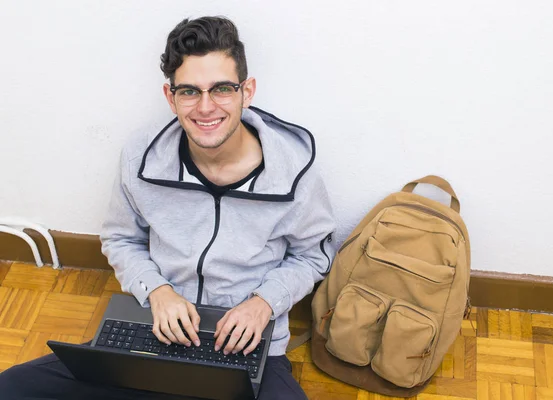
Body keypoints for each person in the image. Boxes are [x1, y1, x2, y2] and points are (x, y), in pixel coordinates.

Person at [0, 16, 335, 399]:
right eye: (189, 91)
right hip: (157, 327)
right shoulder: (141, 156)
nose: (206, 107)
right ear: (170, 96)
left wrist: (263, 304)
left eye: (222, 89)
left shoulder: (295, 168)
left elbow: (313, 255)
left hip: (246, 339)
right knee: (11, 388)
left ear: (247, 90)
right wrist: (157, 291)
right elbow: (120, 238)